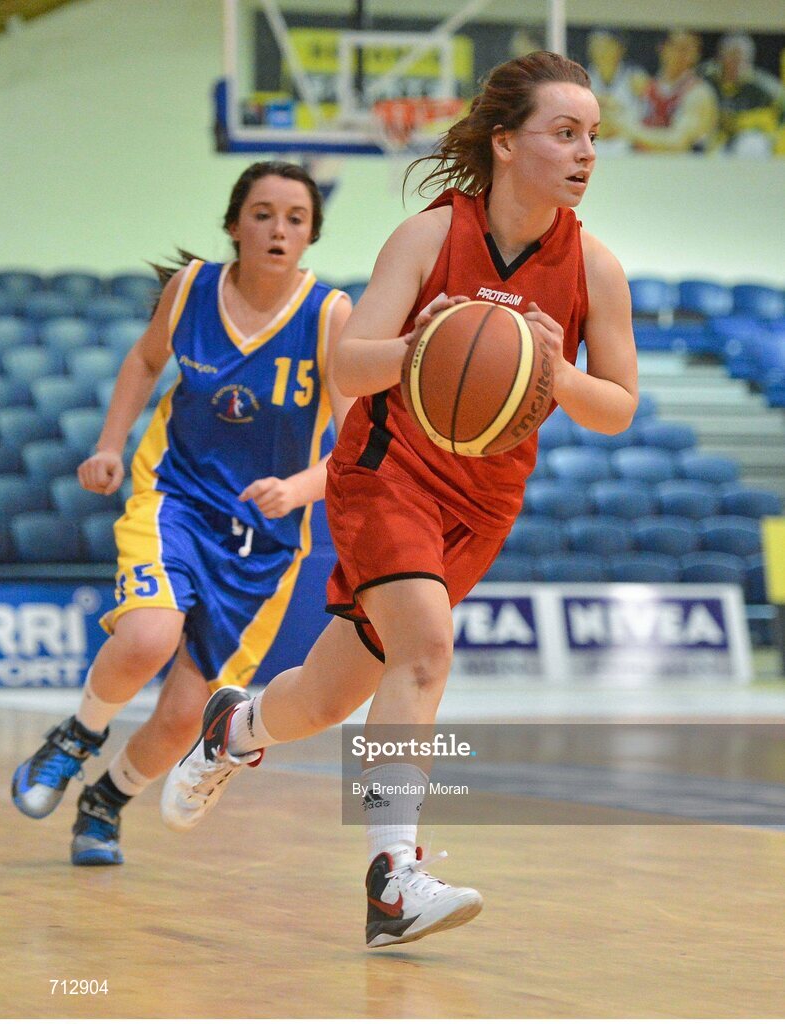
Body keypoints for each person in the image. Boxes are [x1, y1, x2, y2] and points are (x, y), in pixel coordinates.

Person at [163, 51, 637, 947]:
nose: (585, 154)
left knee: (332, 696)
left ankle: (238, 723)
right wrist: (432, 338)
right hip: (390, 471)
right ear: (505, 142)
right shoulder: (427, 238)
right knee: (426, 648)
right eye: (564, 133)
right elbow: (347, 365)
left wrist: (552, 368)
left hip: (485, 499)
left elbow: (617, 407)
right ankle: (393, 880)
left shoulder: (594, 270)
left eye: (592, 138)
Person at [11, 161, 354, 867]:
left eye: (295, 218)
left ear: (312, 234)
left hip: (266, 543)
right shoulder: (193, 288)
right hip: (177, 499)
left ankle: (106, 800)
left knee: (178, 722)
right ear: (234, 225)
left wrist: (297, 489)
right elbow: (143, 361)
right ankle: (75, 736)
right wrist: (110, 446)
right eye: (262, 213)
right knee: (145, 638)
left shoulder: (329, 314)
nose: (278, 229)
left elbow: (351, 450)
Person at [629, 31, 718, 152]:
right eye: (677, 47)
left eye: (688, 49)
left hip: (680, 167)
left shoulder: (699, 93)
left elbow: (677, 142)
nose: (682, 55)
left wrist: (624, 128)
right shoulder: (645, 86)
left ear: (696, 54)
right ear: (662, 48)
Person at [701, 33, 784, 156]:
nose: (737, 63)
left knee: (752, 143)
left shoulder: (765, 88)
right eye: (732, 57)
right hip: (713, 138)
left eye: (743, 58)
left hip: (747, 140)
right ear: (720, 57)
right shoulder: (705, 78)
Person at [584, 29, 647, 153]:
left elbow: (648, 117)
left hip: (629, 145)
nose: (601, 51)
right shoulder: (582, 79)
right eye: (596, 46)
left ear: (620, 48)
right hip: (594, 144)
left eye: (606, 45)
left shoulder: (636, 78)